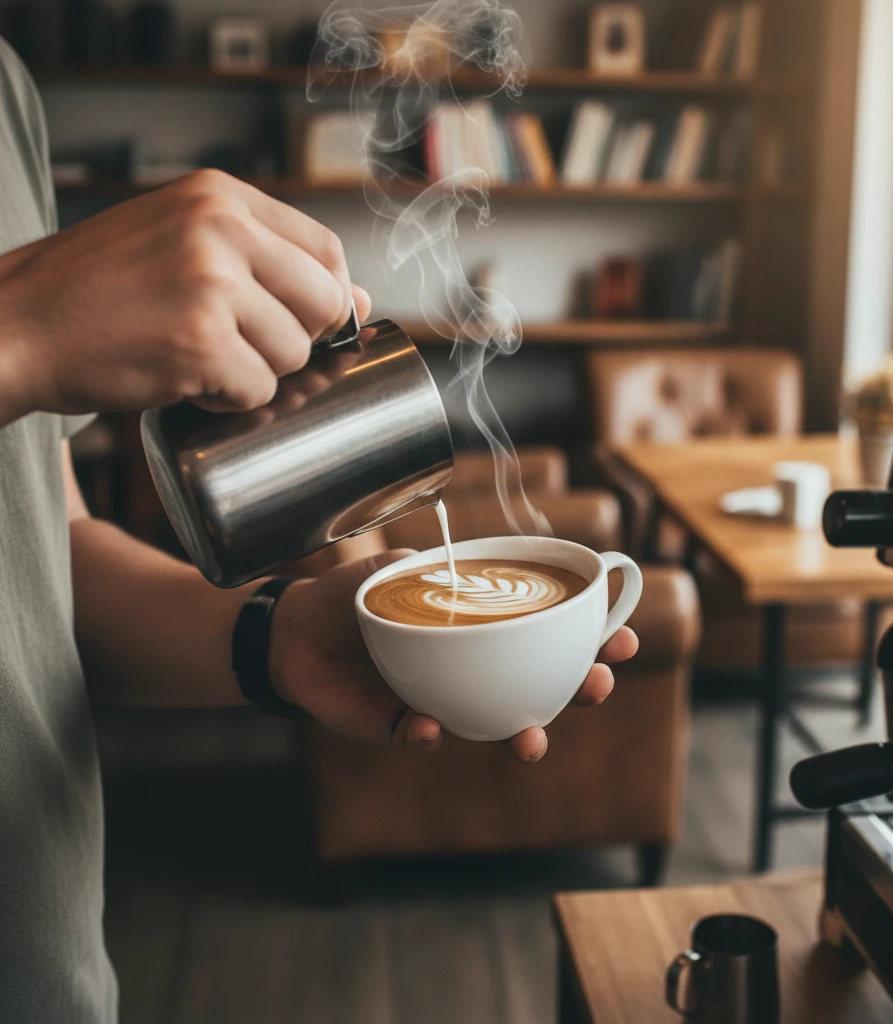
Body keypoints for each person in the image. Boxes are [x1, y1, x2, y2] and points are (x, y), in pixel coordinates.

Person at [0, 38, 638, 1024]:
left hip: (54, 966)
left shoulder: (8, 90)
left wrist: (277, 637)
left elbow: (44, 570)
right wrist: (19, 326)